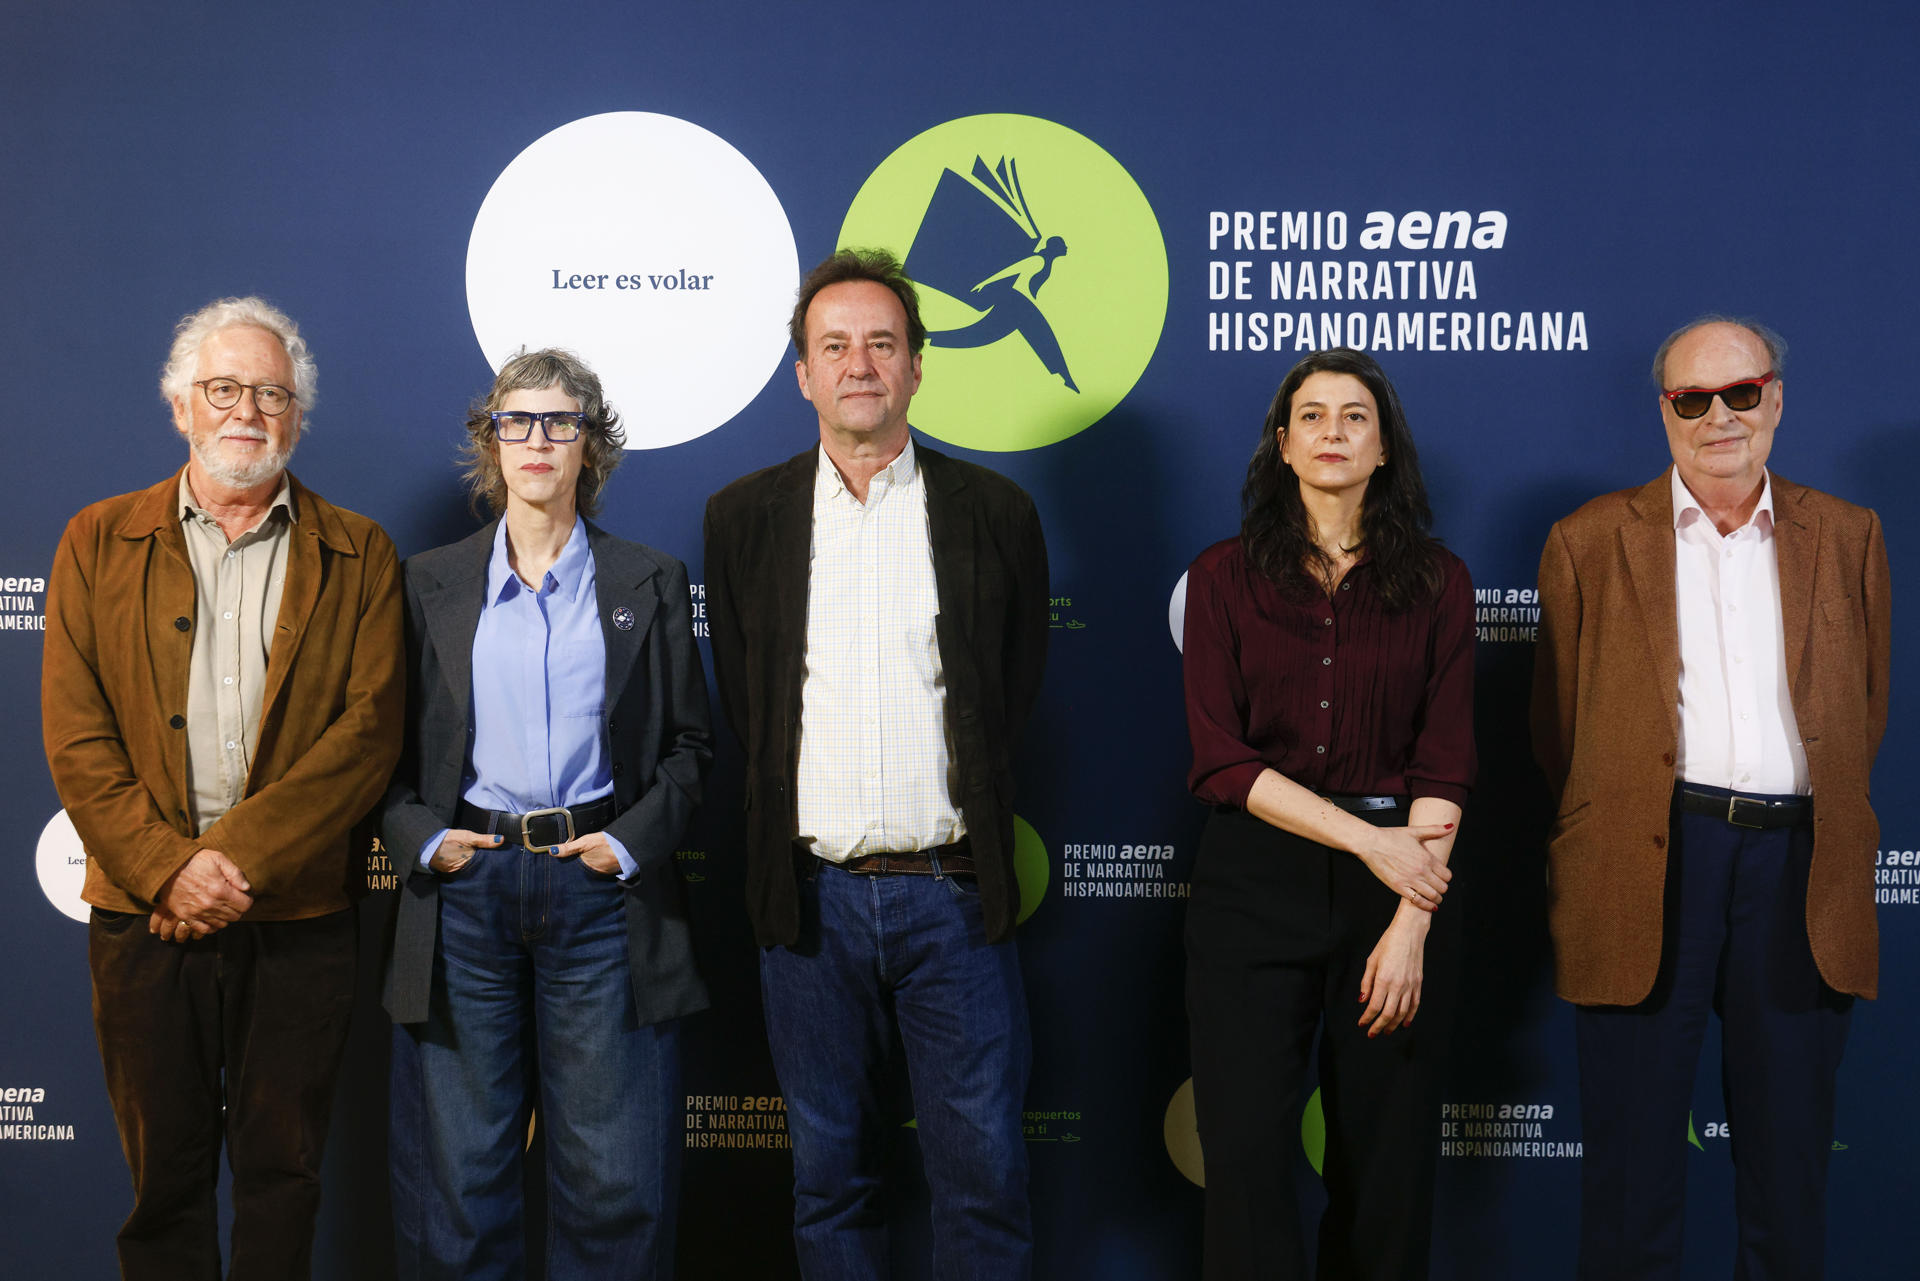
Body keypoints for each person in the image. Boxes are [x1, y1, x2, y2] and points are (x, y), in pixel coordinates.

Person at [41, 296, 403, 1280]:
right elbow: (76, 736)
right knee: (163, 1184)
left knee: (284, 1178)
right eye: (224, 389)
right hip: (144, 915)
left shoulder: (359, 551)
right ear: (180, 405)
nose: (248, 411)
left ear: (297, 416)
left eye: (271, 394)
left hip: (299, 918)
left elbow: (368, 735)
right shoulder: (94, 539)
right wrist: (168, 870)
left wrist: (225, 862)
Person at [703, 247, 1049, 1279]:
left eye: (882, 344)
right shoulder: (742, 517)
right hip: (808, 903)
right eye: (835, 346)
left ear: (917, 365)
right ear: (803, 374)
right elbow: (750, 703)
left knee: (984, 1181)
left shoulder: (995, 512)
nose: (860, 364)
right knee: (829, 1184)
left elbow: (1010, 691)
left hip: (955, 897)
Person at [1531, 318, 1889, 1280]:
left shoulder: (1850, 535)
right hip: (1644, 866)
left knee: (1790, 1167)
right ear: (1665, 412)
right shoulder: (1587, 540)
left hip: (1799, 870)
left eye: (1741, 393)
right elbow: (1556, 734)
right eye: (1693, 399)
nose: (1719, 416)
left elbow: (1864, 712)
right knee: (1629, 1174)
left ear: (1776, 398)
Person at [379, 348, 711, 1279]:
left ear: (588, 445)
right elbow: (377, 748)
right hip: (466, 893)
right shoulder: (427, 581)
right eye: (517, 421)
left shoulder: (648, 577)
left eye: (560, 422)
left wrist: (627, 845)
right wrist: (425, 842)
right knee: (460, 1181)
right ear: (491, 441)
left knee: (614, 1181)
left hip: (602, 896)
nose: (537, 439)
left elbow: (691, 747)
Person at [1182, 347, 1474, 1281]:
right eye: (1311, 415)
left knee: (1386, 1163)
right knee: (1244, 1158)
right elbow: (1223, 759)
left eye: (1355, 416)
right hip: (1253, 881)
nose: (1333, 432)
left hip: (1397, 897)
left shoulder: (1440, 581)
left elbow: (1445, 760)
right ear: (1283, 444)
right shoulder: (1222, 577)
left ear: (1384, 448)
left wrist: (1412, 921)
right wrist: (1368, 842)